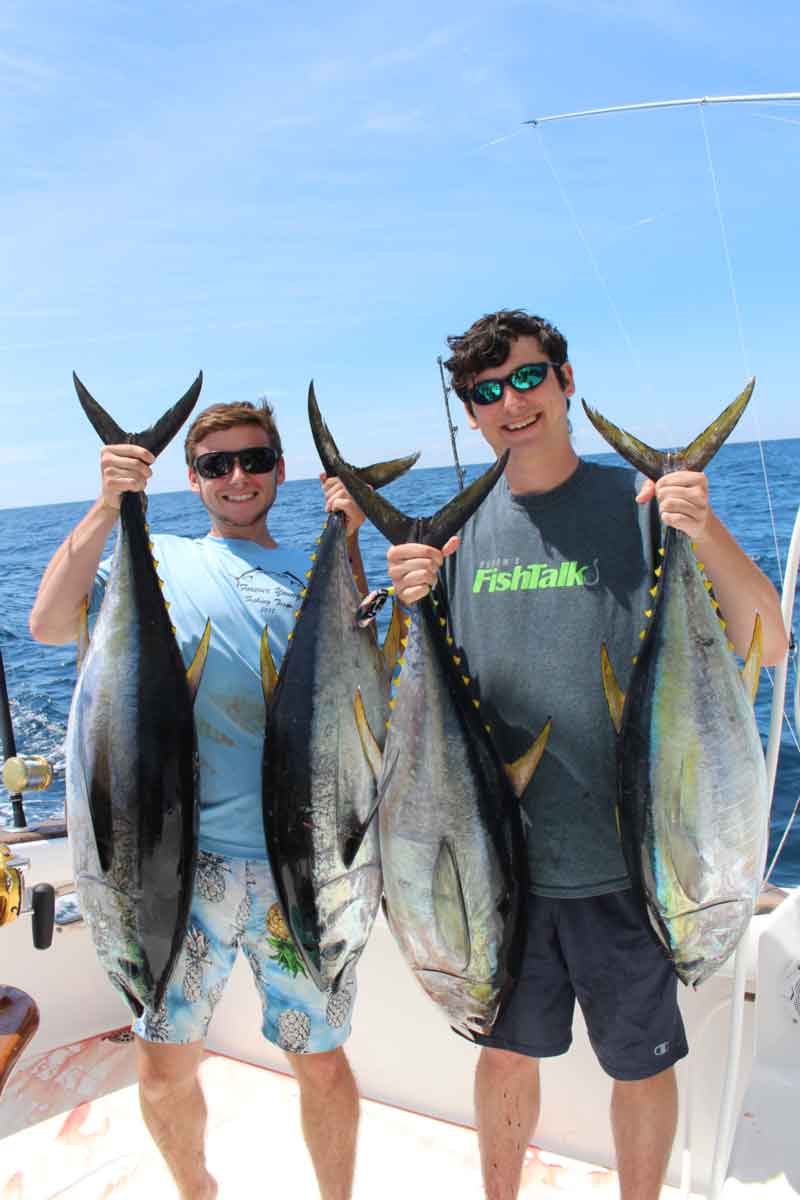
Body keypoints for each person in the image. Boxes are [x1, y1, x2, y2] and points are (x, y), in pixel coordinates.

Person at [386, 309, 789, 1200]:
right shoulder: (454, 535)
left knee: (640, 1064)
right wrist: (403, 597)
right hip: (498, 869)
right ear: (470, 414)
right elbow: (414, 706)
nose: (511, 403)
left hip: (638, 862)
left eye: (528, 378)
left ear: (567, 382)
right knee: (503, 1058)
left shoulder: (640, 507)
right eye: (486, 393)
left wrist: (703, 530)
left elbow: (769, 637)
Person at [29, 396, 366, 1200]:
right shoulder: (165, 559)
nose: (238, 477)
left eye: (254, 460)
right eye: (217, 465)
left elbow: (356, 696)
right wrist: (111, 503)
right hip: (174, 870)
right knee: (163, 1062)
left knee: (320, 1061)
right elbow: (46, 623)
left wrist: (348, 540)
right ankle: (196, 1192)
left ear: (280, 471)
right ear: (194, 478)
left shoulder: (318, 570)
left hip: (305, 870)